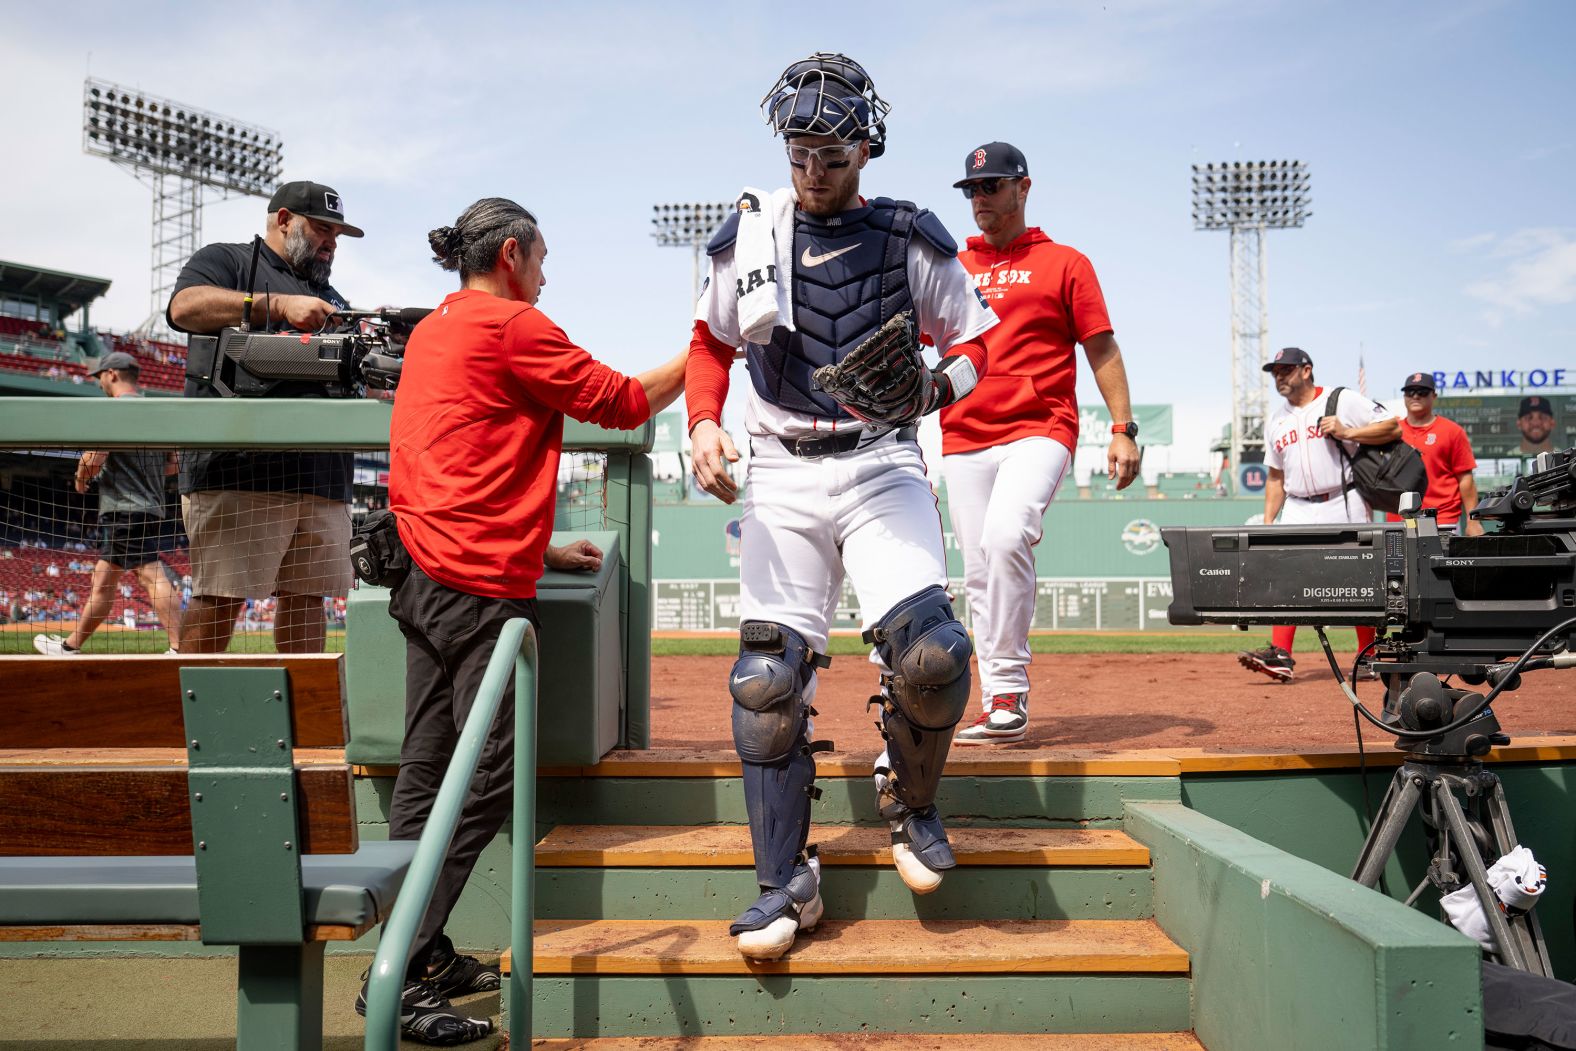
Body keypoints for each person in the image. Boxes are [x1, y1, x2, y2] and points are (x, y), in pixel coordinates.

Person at [686, 52, 996, 961]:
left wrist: (939, 389)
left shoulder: (908, 236)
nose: (813, 169)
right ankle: (785, 881)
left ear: (867, 146)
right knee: (765, 685)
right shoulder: (749, 233)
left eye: (830, 150)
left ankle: (912, 798)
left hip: (880, 460)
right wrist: (705, 423)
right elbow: (709, 342)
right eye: (798, 149)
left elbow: (984, 343)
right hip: (779, 466)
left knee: (937, 657)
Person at [363, 197, 687, 1045]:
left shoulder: (437, 327)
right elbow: (621, 403)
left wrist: (539, 551)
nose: (547, 275)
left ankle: (417, 948)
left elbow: (461, 460)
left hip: (422, 577)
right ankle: (393, 978)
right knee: (485, 778)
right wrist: (706, 349)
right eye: (542, 258)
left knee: (426, 774)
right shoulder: (512, 325)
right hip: (472, 592)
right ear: (511, 254)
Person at [942, 141, 1141, 745]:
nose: (981, 198)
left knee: (1007, 536)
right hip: (962, 431)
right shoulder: (952, 264)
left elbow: (1100, 346)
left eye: (992, 186)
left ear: (1023, 188)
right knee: (978, 567)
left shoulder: (1066, 262)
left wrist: (1123, 427)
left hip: (1040, 424)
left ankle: (1010, 692)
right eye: (972, 189)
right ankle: (995, 700)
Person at [167, 180, 362, 654]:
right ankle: (186, 721)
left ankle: (302, 723)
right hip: (240, 468)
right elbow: (183, 308)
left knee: (308, 599)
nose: (331, 243)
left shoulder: (333, 297)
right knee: (221, 597)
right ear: (283, 220)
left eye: (337, 235)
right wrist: (273, 305)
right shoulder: (229, 260)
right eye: (322, 229)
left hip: (322, 476)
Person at [1237, 347, 1400, 682]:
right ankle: (1281, 655)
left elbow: (1392, 427)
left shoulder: (1342, 400)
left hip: (1344, 498)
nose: (1278, 377)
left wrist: (1349, 432)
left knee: (1361, 579)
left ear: (1306, 370)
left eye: (1285, 369)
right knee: (1285, 577)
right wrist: (1269, 523)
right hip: (1296, 504)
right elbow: (1275, 477)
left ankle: (1367, 655)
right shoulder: (1277, 420)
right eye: (1275, 371)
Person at [33, 351, 181, 655]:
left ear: (112, 374)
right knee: (102, 580)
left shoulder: (116, 409)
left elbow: (93, 458)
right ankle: (69, 647)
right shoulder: (157, 411)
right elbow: (174, 464)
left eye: (100, 375)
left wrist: (81, 480)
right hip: (150, 506)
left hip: (125, 508)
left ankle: (181, 647)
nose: (99, 381)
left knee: (151, 576)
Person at [1391, 371, 1483, 536]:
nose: (1415, 396)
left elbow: (1466, 479)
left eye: (1422, 392)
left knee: (1441, 562)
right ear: (1404, 396)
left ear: (1434, 395)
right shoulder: (1391, 431)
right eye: (1410, 392)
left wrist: (1473, 521)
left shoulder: (1452, 431)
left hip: (1441, 519)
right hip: (1399, 520)